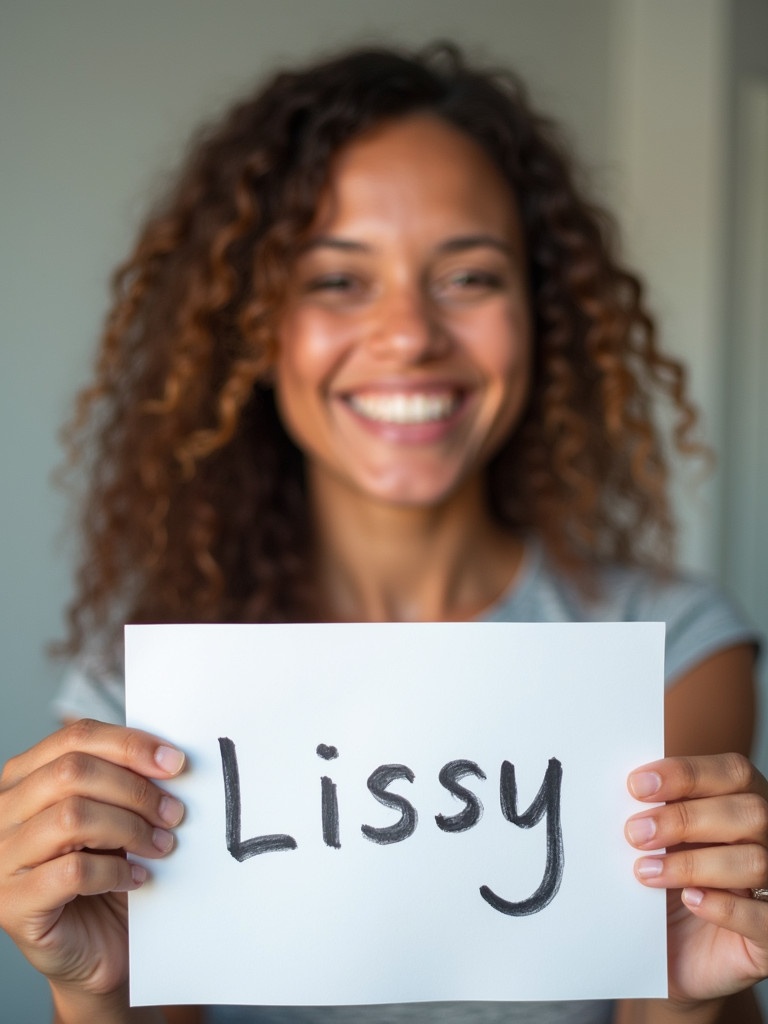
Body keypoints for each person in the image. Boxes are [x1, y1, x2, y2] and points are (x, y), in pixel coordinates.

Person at [0, 41, 764, 1024]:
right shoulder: (143, 702)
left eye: (470, 276)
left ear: (542, 315)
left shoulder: (675, 649)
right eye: (336, 280)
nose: (408, 334)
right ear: (254, 332)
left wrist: (698, 994)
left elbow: (672, 992)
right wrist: (91, 987)